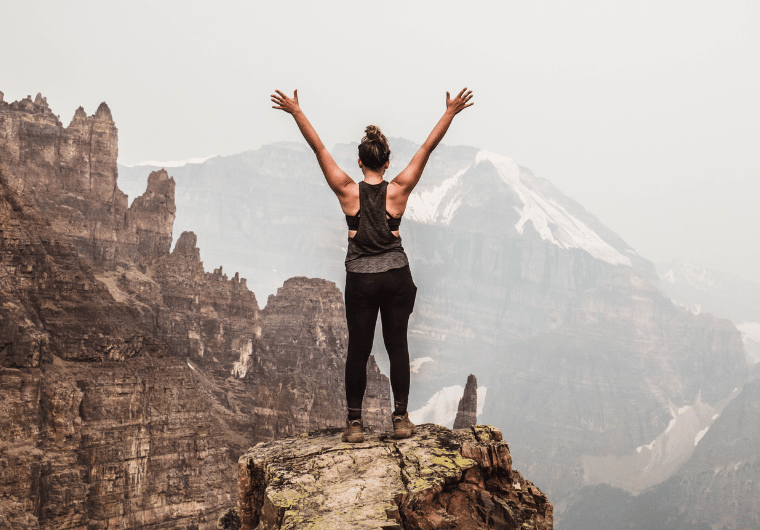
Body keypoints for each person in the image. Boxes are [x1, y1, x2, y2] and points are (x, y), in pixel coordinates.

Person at [271, 87, 474, 443]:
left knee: (359, 350)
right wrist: (450, 113)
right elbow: (427, 148)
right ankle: (400, 419)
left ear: (361, 162)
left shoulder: (348, 192)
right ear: (388, 162)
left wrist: (296, 112)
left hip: (361, 281)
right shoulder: (398, 191)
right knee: (397, 347)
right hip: (396, 277)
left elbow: (319, 149)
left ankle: (354, 425)